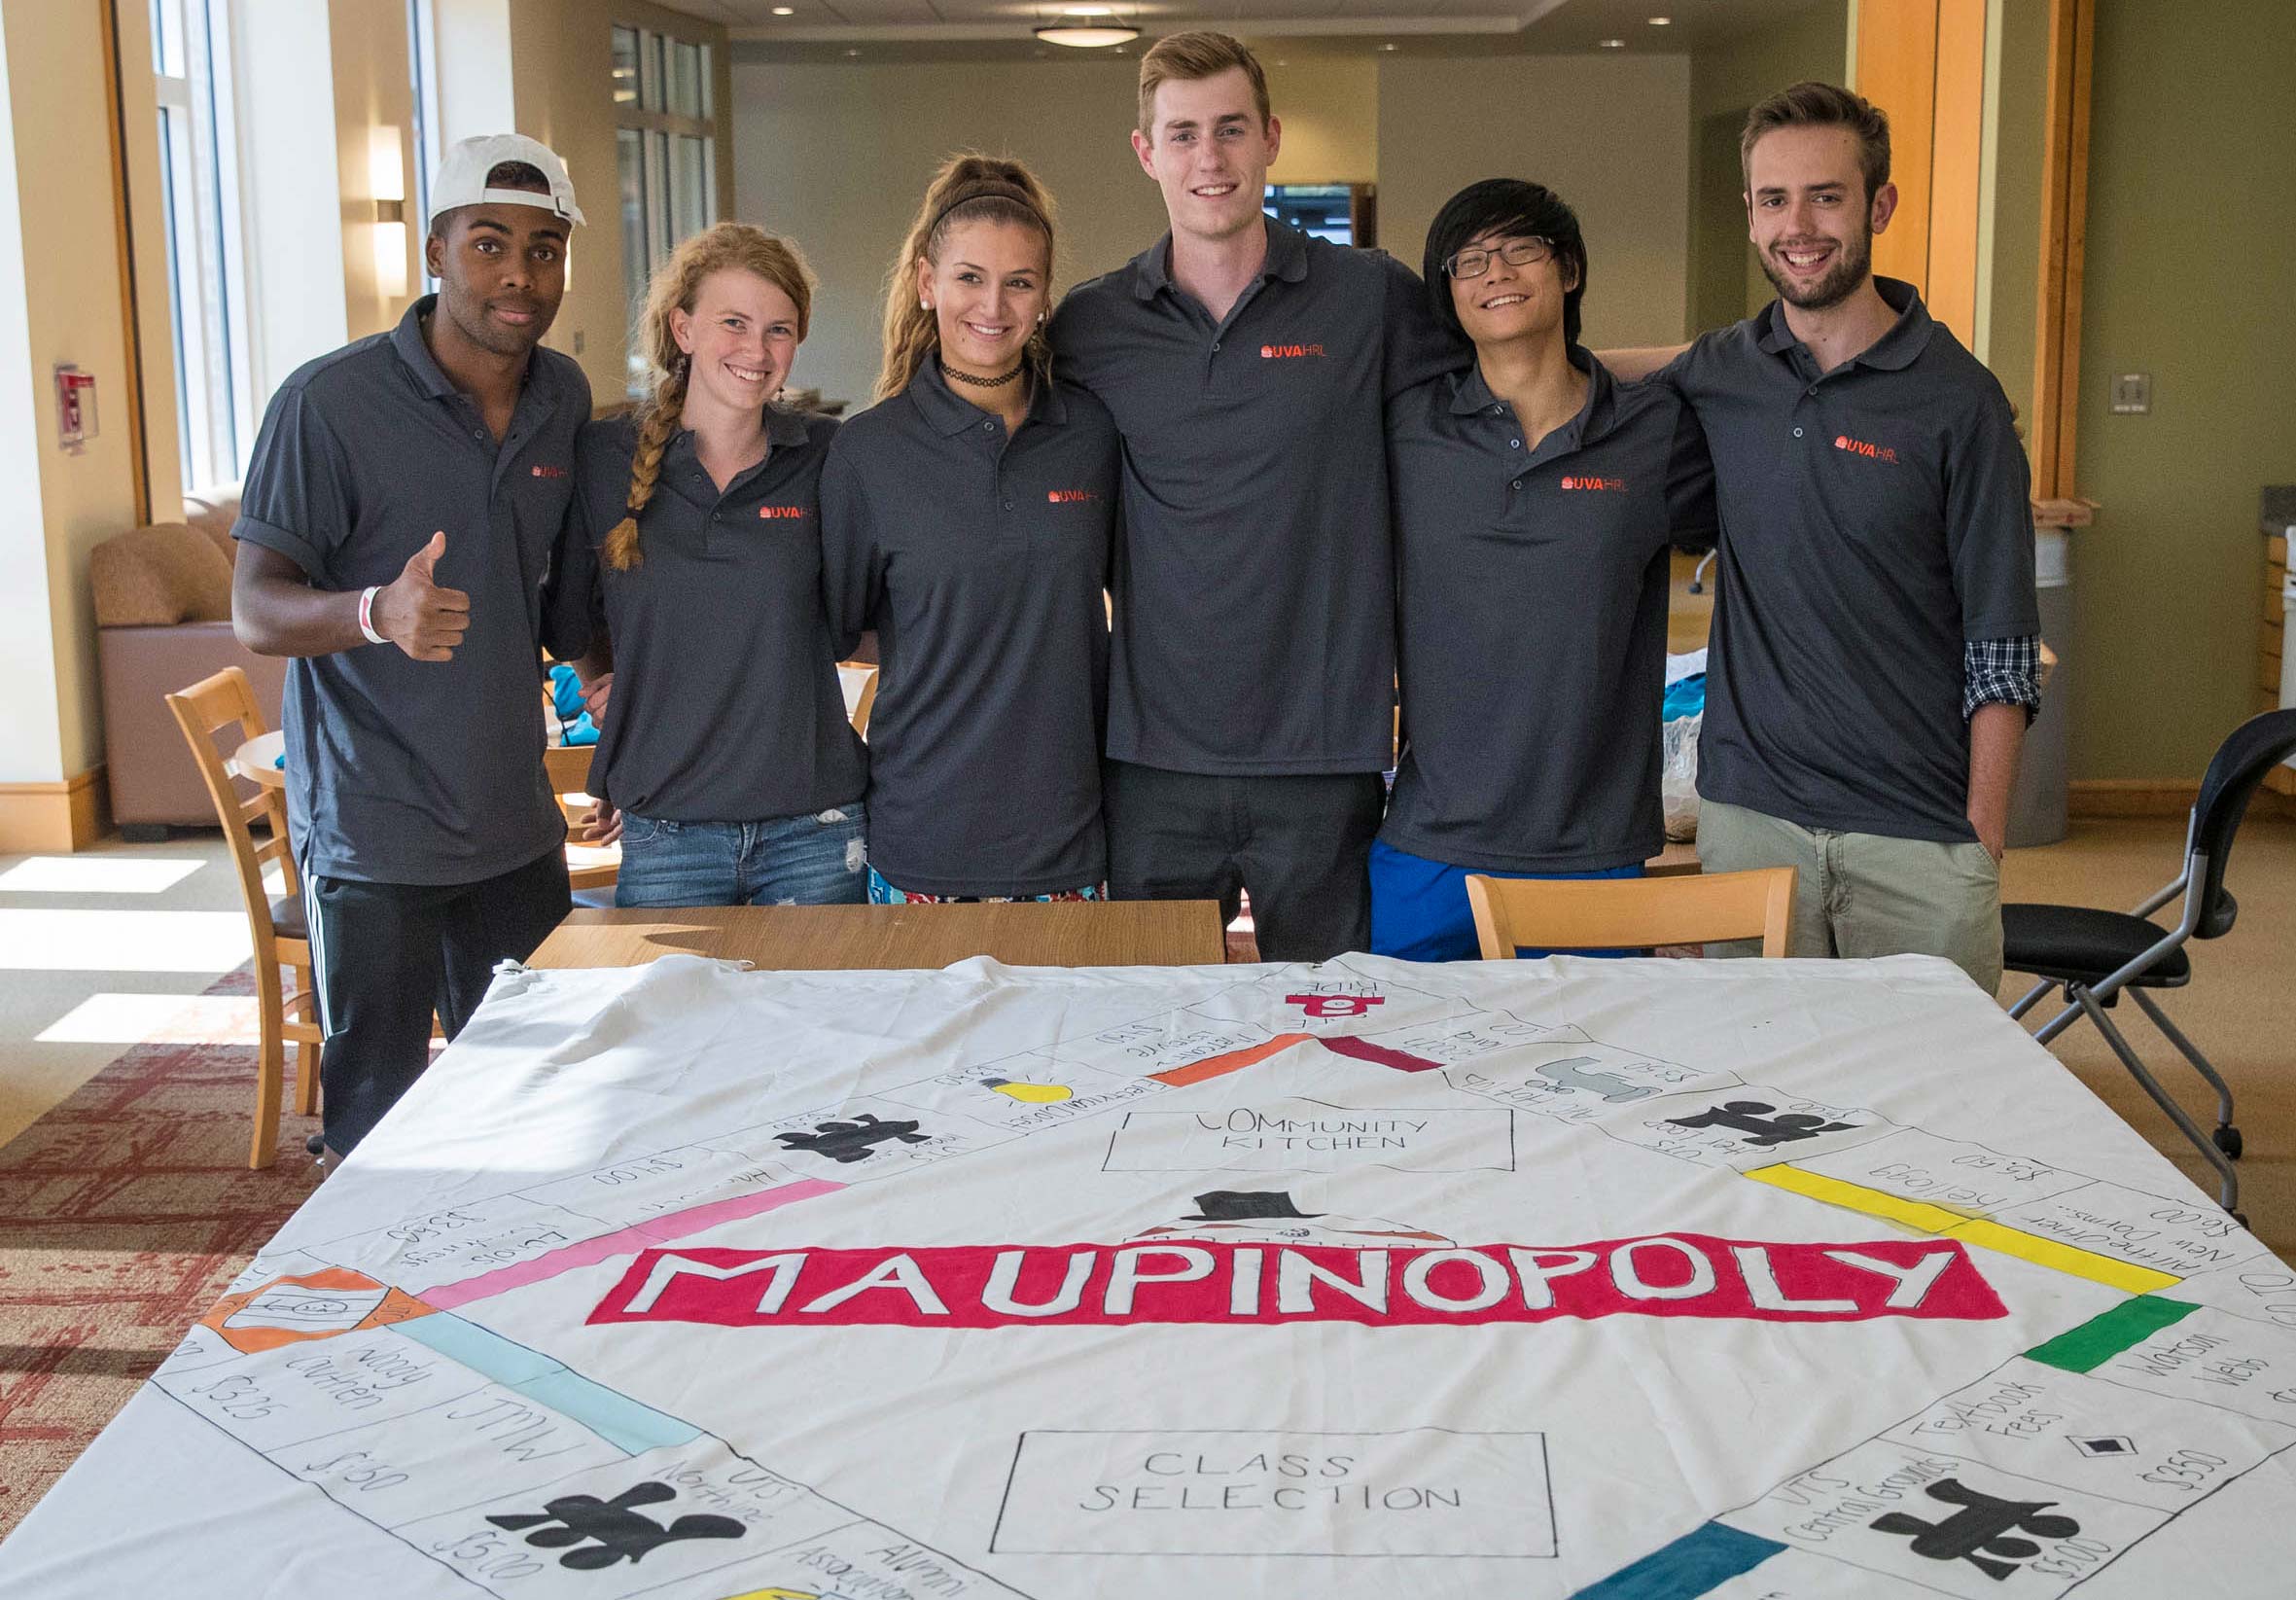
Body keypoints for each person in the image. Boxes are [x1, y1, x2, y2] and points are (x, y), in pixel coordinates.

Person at [1049, 30, 1459, 960]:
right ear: (1146, 152)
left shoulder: (1369, 299)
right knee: (1153, 1033)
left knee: (1332, 1032)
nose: (1210, 159)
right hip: (1151, 761)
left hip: (1323, 755)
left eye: (1230, 129)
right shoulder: (1090, 326)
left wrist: (1686, 371)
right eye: (1184, 134)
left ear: (1270, 137)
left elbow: (1507, 387)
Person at [230, 134, 590, 1161]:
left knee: (531, 1108)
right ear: (434, 251)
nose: (519, 274)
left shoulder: (562, 397)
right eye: (488, 244)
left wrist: (605, 670)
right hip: (375, 835)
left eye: (543, 248)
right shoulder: (327, 404)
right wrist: (372, 611)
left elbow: (558, 594)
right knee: (377, 1125)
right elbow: (257, 610)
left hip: (516, 826)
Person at [1655, 83, 2039, 990]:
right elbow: (1610, 377)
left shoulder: (1959, 400)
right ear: (1749, 215)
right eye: (1774, 199)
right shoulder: (1721, 371)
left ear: (1879, 205)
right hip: (1751, 818)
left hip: (1915, 829)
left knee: (1928, 1112)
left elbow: (2004, 644)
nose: (1799, 225)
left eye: (1825, 196)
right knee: (1754, 1100)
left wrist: (1980, 838)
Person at [1374, 180, 1716, 961]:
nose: (1495, 271)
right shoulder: (1404, 429)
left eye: (1520, 249)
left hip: (1589, 846)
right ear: (1448, 296)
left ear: (1566, 271)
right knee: (1397, 1070)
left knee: (1578, 1073)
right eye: (1469, 260)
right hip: (1429, 838)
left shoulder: (1653, 434)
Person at [820, 156, 1118, 904]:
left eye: (1019, 281)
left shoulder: (1091, 433)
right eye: (968, 278)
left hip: (1070, 837)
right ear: (927, 283)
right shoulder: (867, 451)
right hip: (922, 835)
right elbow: (840, 628)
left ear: (1045, 296)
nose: (993, 304)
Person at [557, 223, 867, 908]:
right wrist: (612, 683)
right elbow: (575, 613)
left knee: (824, 1020)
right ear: (683, 328)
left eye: (778, 330)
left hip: (814, 827)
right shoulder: (603, 457)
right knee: (674, 1020)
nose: (756, 350)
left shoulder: (829, 455)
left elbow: (869, 612)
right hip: (667, 830)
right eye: (734, 322)